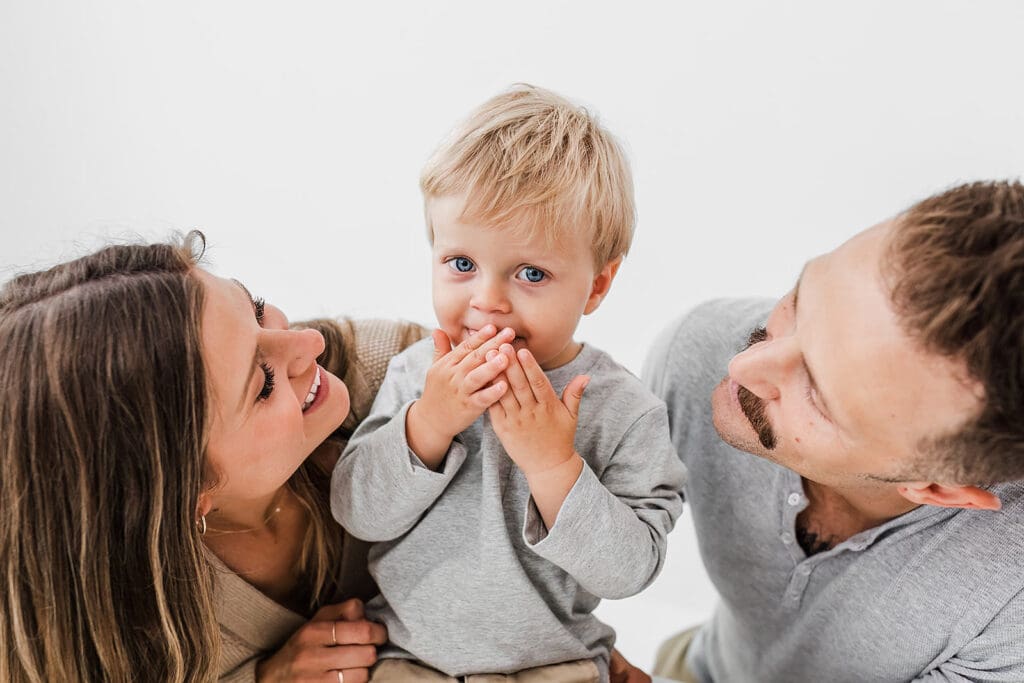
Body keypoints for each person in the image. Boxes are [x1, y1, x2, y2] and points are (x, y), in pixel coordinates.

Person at [331, 85, 687, 682]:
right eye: (462, 264)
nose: (487, 301)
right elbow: (357, 513)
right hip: (411, 661)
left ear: (596, 287)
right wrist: (429, 424)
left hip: (558, 666)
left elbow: (632, 571)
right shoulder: (419, 373)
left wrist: (554, 469)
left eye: (531, 273)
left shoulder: (625, 410)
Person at [0, 231, 426, 682]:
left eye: (256, 308)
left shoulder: (390, 376)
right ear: (190, 493)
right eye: (263, 384)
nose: (309, 343)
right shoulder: (108, 627)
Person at [643, 180, 1024, 682]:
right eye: (800, 302)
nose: (744, 364)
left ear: (937, 489)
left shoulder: (1010, 609)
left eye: (818, 396)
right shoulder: (699, 350)